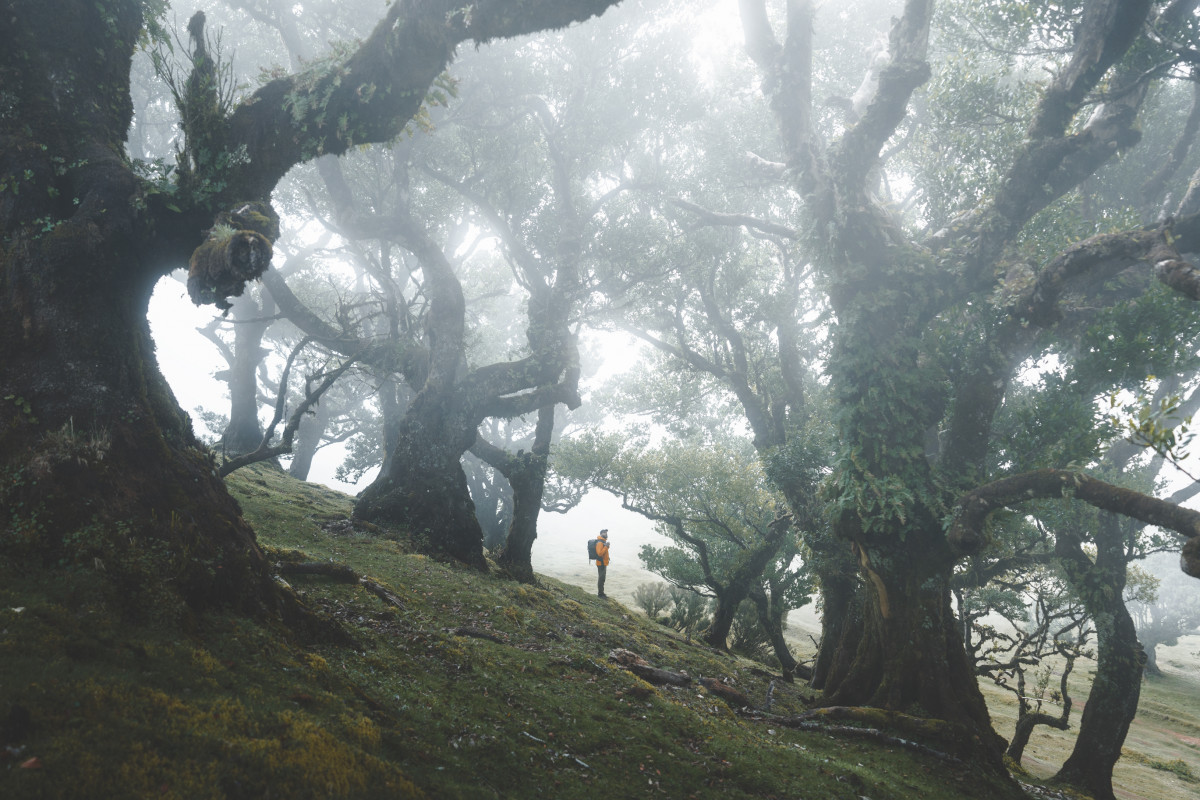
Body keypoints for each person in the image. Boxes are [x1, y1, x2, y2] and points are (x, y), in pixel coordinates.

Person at [594, 529, 610, 598]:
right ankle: (600, 594)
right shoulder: (600, 543)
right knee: (601, 578)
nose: (605, 534)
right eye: (604, 533)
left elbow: (604, 553)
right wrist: (606, 546)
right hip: (601, 564)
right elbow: (600, 553)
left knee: (602, 578)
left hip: (604, 563)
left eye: (606, 533)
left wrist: (607, 546)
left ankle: (601, 593)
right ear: (601, 534)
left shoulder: (603, 542)